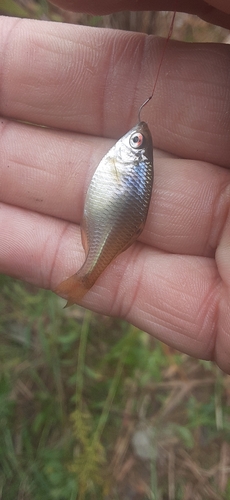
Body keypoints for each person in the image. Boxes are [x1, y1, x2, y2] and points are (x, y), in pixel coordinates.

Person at [0, 0, 229, 372]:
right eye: (138, 141)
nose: (135, 138)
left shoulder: (132, 164)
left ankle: (85, 277)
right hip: (115, 224)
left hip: (113, 224)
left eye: (137, 142)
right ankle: (85, 277)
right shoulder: (132, 166)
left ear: (135, 151)